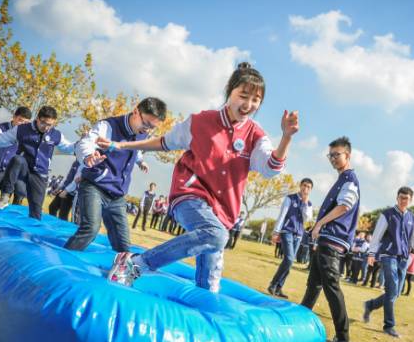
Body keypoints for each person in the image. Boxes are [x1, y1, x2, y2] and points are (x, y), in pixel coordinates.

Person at [103, 62, 298, 293]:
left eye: (255, 100)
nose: (248, 105)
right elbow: (164, 142)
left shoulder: (255, 134)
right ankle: (135, 263)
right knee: (216, 235)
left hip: (222, 212)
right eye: (243, 96)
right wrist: (122, 145)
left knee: (209, 285)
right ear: (230, 93)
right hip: (189, 195)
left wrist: (286, 137)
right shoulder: (200, 121)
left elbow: (270, 168)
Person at [63, 98, 165, 253]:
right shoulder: (108, 126)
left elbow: (135, 151)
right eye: (146, 124)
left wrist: (140, 162)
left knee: (123, 245)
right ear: (136, 111)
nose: (147, 130)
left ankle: (120, 273)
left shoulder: (142, 134)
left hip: (117, 195)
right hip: (94, 187)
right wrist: (88, 156)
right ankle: (64, 260)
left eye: (152, 127)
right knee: (90, 228)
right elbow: (85, 143)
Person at [300, 136, 360, 342]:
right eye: (331, 155)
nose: (333, 159)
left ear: (348, 155)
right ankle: (300, 323)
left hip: (332, 240)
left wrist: (320, 223)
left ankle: (343, 340)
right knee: (314, 284)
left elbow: (345, 206)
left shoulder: (349, 179)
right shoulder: (342, 179)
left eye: (338, 154)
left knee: (331, 287)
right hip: (326, 239)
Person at [0, 106, 74, 219]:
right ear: (37, 119)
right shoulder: (22, 129)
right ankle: (5, 195)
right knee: (17, 159)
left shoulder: (56, 135)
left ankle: (30, 227)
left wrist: (83, 143)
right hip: (21, 168)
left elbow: (69, 147)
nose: (46, 127)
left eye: (50, 125)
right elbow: (1, 138)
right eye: (43, 123)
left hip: (40, 174)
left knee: (36, 212)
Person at [362, 187, 414, 338]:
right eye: (400, 197)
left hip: (404, 258)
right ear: (396, 198)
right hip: (388, 255)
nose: (403, 200)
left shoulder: (412, 218)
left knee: (396, 293)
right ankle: (389, 326)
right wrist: (371, 253)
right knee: (391, 291)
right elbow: (377, 235)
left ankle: (370, 305)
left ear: (411, 200)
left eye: (406, 198)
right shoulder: (387, 215)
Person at [267, 178, 313, 298]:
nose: (305, 188)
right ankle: (273, 284)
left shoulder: (309, 204)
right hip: (287, 231)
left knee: (289, 261)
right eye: (304, 185)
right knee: (289, 258)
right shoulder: (290, 198)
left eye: (308, 187)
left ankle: (278, 287)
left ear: (310, 190)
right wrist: (276, 231)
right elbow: (282, 215)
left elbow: (307, 219)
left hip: (298, 235)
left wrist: (305, 203)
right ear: (300, 185)